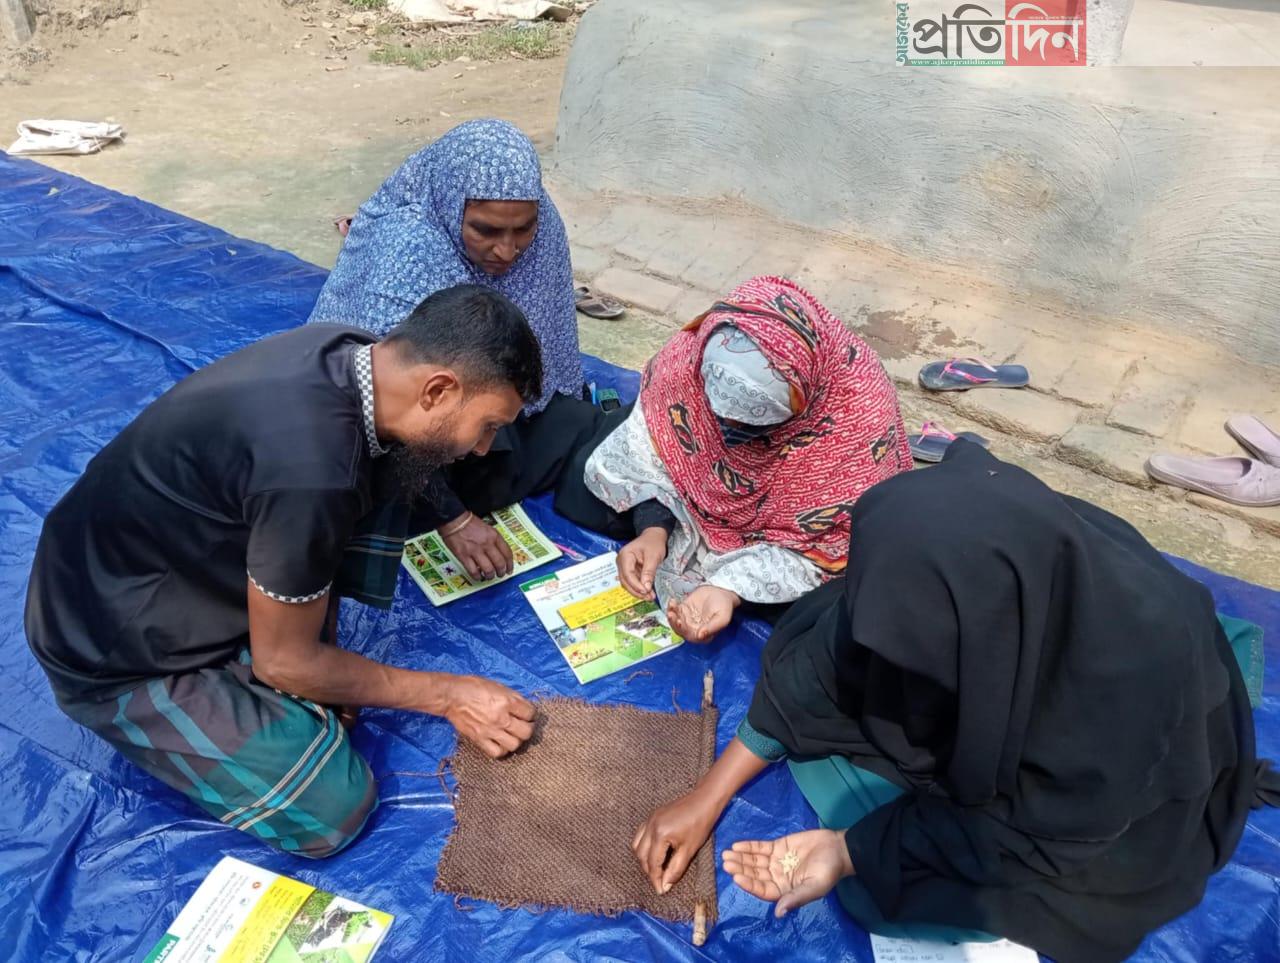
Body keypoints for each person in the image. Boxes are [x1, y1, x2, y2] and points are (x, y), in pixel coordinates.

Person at [632, 440, 1278, 962]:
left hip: (1125, 783)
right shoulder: (932, 563)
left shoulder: (1127, 684)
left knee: (1046, 893)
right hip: (1003, 671)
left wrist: (849, 849)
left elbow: (1040, 835)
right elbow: (822, 665)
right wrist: (707, 795)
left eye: (918, 660)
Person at [25, 285, 545, 858]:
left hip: (153, 566)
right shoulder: (312, 472)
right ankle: (163, 699)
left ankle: (283, 669)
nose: (483, 448)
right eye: (487, 425)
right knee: (332, 808)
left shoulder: (348, 351)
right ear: (438, 390)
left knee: (400, 466)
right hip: (110, 644)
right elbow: (285, 662)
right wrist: (449, 695)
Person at [309, 118, 596, 585]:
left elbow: (546, 351)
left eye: (522, 230)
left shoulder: (543, 230)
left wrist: (489, 418)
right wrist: (453, 518)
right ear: (448, 205)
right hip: (399, 429)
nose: (507, 251)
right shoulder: (408, 249)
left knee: (576, 428)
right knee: (369, 498)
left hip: (469, 407)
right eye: (486, 231)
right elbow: (387, 410)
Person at [580, 275, 910, 643]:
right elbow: (651, 450)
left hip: (787, 539)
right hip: (689, 500)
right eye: (718, 416)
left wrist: (730, 588)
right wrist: (653, 528)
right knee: (578, 482)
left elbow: (837, 539)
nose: (727, 434)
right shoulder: (687, 363)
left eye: (751, 425)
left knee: (832, 618)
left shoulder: (859, 416)